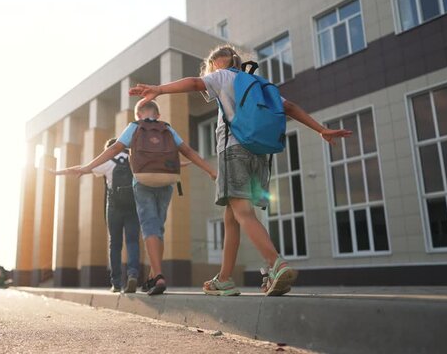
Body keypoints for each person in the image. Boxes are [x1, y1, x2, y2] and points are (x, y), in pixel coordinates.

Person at [129, 45, 352, 296]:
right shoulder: (257, 82)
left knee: (243, 213)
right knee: (231, 217)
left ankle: (276, 263)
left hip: (233, 151)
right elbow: (288, 107)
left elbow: (193, 83)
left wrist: (159, 89)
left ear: (215, 64)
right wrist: (320, 129)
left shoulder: (222, 76)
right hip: (258, 154)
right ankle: (224, 278)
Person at [56, 100, 216, 295]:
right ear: (157, 114)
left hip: (143, 181)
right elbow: (188, 151)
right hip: (167, 180)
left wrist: (88, 167)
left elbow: (114, 149)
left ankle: (157, 276)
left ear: (138, 115)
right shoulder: (166, 128)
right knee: (158, 228)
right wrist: (210, 170)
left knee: (149, 226)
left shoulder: (134, 127)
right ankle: (153, 274)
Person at [52, 138, 140, 293]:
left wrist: (58, 172)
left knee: (115, 244)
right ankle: (133, 274)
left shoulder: (106, 162)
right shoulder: (133, 158)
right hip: (133, 205)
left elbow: (82, 168)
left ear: (108, 150)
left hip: (114, 207)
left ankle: (117, 282)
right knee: (132, 241)